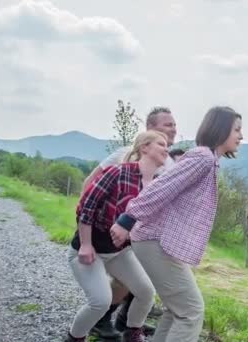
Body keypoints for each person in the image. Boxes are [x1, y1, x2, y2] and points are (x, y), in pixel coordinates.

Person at [109, 106, 243, 342]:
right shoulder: (202, 157)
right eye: (237, 130)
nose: (241, 136)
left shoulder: (208, 160)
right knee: (191, 311)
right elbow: (162, 188)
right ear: (220, 130)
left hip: (161, 241)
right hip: (156, 240)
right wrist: (127, 219)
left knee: (176, 310)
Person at [66, 131, 170, 342]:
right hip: (89, 249)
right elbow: (86, 207)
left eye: (167, 145)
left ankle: (132, 333)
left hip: (119, 252)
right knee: (100, 302)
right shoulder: (118, 173)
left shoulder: (158, 186)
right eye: (161, 144)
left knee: (146, 292)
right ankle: (74, 338)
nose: (166, 148)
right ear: (145, 148)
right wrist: (86, 244)